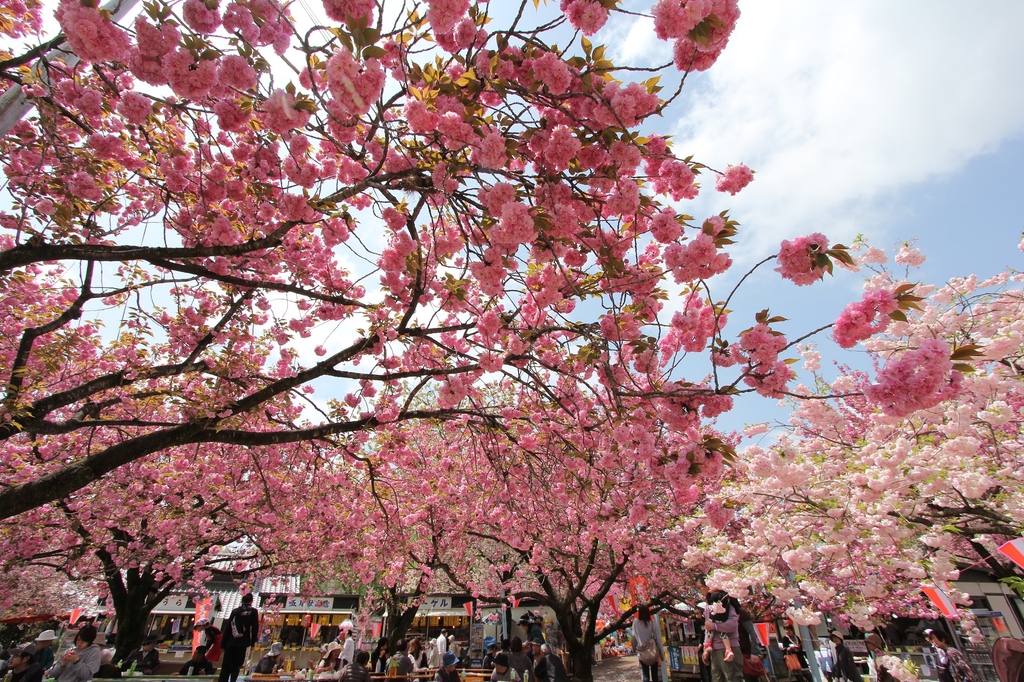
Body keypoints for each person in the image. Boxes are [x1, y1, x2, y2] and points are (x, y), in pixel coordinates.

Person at [700, 589, 742, 682]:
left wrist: (713, 626)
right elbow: (708, 629)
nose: (700, 590)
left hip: (730, 647)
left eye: (701, 587)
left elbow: (733, 625)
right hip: (714, 650)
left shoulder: (727, 603)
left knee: (733, 678)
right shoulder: (708, 606)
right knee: (717, 678)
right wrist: (706, 649)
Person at [218, 592, 259, 682]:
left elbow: (228, 627)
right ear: (251, 601)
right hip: (243, 642)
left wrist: (223, 644)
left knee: (226, 665)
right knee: (237, 665)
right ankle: (233, 680)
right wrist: (252, 643)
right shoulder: (253, 612)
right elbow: (255, 627)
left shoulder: (235, 611)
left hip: (231, 642)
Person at [633, 605, 663, 682]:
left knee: (645, 675)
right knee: (655, 676)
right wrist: (661, 654)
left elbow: (633, 637)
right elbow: (658, 638)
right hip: (653, 651)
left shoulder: (636, 622)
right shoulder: (652, 623)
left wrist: (634, 649)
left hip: (642, 652)